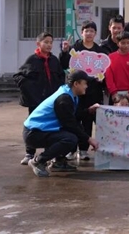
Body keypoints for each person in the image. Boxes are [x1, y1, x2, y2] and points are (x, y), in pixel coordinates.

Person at [23, 70, 99, 178]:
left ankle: (58, 162)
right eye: (85, 83)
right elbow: (70, 124)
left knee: (73, 133)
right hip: (33, 133)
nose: (86, 86)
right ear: (76, 84)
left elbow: (72, 117)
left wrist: (88, 111)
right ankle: (38, 161)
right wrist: (89, 139)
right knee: (70, 138)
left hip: (41, 131)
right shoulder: (64, 99)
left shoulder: (70, 94)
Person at [14, 31, 65, 166]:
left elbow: (61, 77)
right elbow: (19, 77)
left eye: (51, 42)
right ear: (38, 43)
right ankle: (29, 153)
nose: (49, 45)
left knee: (52, 126)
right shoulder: (32, 60)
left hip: (51, 102)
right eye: (45, 42)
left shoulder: (54, 60)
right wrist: (30, 91)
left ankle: (51, 154)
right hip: (36, 102)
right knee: (34, 126)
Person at [59, 21, 106, 161]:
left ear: (95, 33)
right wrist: (64, 51)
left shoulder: (100, 50)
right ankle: (71, 149)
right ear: (82, 32)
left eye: (92, 31)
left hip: (92, 92)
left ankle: (84, 150)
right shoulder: (75, 49)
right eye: (86, 31)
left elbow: (104, 70)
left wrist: (102, 78)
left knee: (87, 121)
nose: (89, 33)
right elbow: (64, 64)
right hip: (75, 92)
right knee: (73, 120)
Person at [105, 32, 129, 105]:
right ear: (117, 43)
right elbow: (109, 76)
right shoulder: (110, 57)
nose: (126, 45)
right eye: (123, 43)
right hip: (115, 93)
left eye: (128, 43)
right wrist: (113, 92)